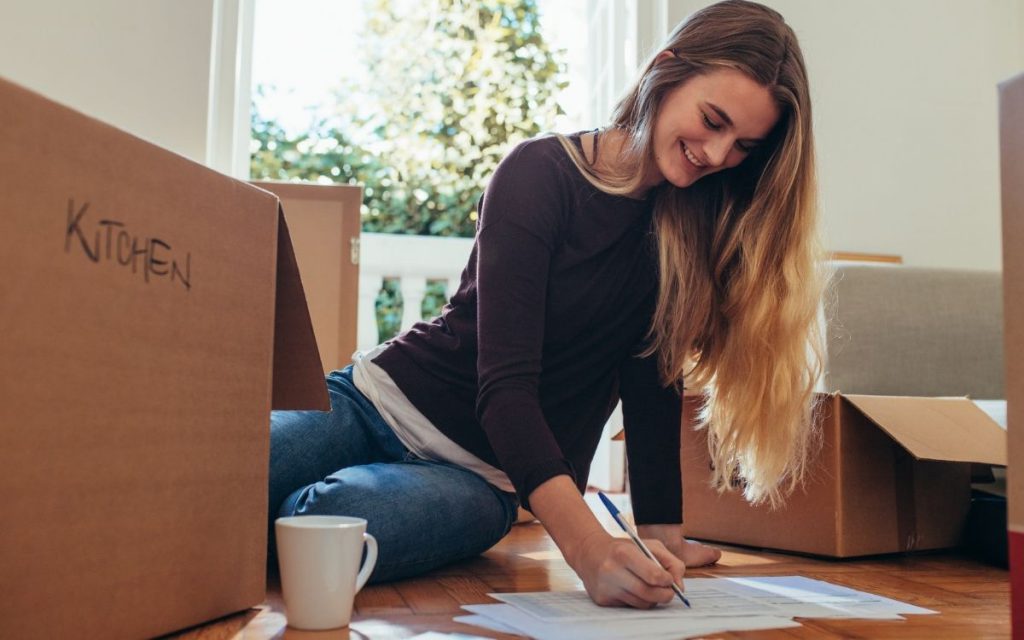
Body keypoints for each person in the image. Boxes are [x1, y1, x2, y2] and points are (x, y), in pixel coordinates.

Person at [268, 0, 826, 610]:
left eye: (744, 146)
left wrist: (662, 536)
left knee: (328, 516)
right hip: (375, 399)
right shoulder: (538, 173)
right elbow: (505, 387)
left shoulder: (684, 239)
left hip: (483, 482)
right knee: (232, 458)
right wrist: (587, 549)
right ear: (665, 72)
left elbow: (652, 388)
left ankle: (256, 519)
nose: (718, 156)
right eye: (713, 120)